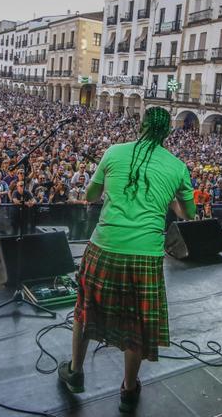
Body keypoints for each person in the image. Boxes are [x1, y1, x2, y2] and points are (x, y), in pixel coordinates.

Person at [57, 107, 195, 413]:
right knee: (136, 322)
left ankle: (76, 373)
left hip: (104, 246)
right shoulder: (177, 167)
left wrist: (110, 187)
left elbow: (92, 196)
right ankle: (129, 390)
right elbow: (190, 215)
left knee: (85, 309)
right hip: (145, 254)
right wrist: (169, 196)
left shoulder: (114, 152)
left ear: (142, 125)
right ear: (167, 132)